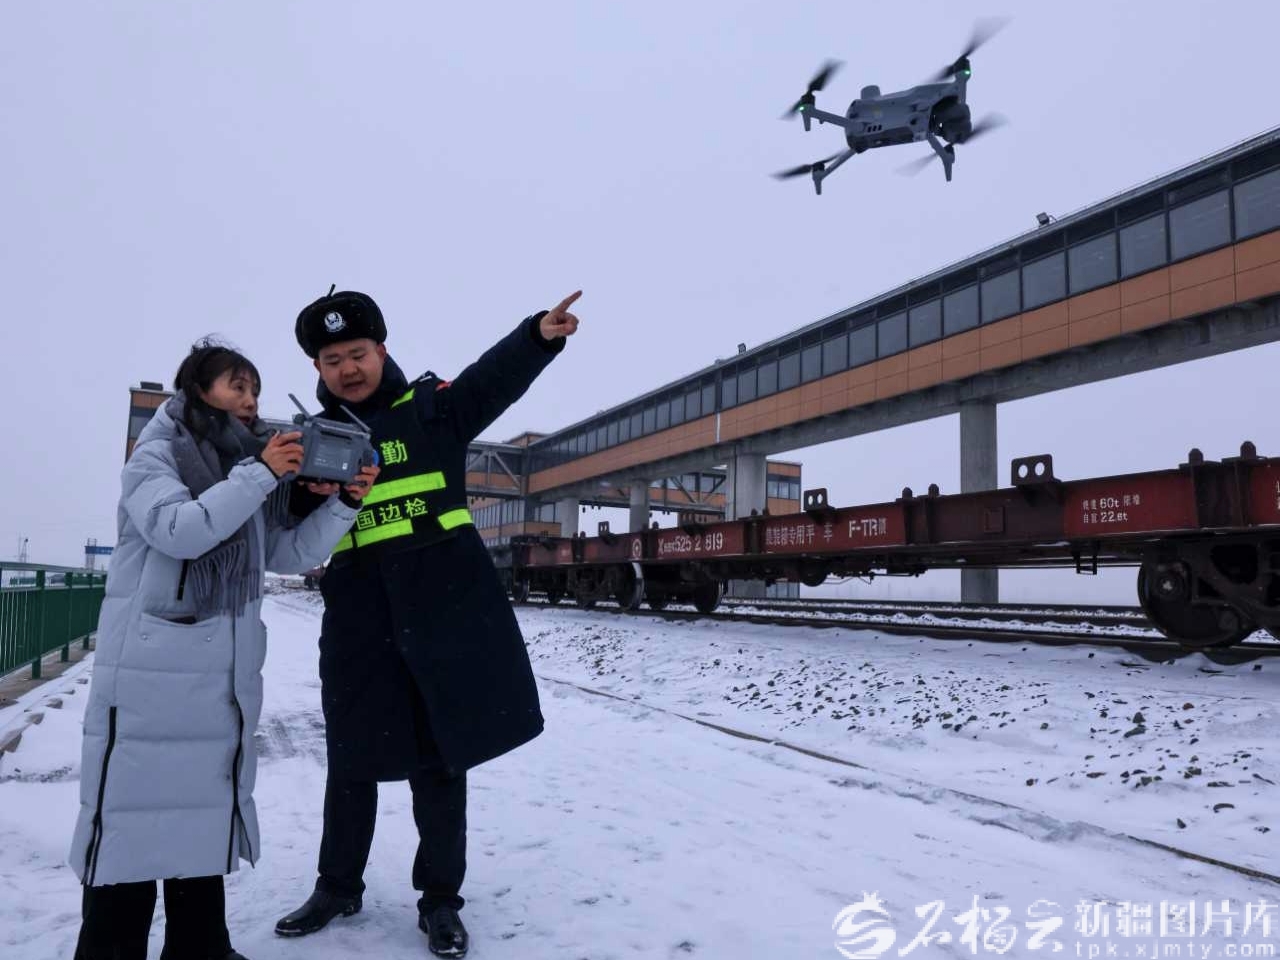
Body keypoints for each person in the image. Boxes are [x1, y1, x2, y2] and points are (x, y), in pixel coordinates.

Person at [275, 288, 581, 957]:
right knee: (351, 758)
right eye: (333, 360)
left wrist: (536, 336)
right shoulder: (311, 440)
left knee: (441, 761)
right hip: (357, 618)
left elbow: (488, 382)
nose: (348, 368)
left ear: (381, 350)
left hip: (442, 613)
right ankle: (337, 886)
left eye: (357, 353)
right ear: (317, 369)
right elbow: (289, 525)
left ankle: (441, 900)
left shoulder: (431, 409)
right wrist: (303, 492)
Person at [69, 341, 379, 960]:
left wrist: (345, 503)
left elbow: (288, 554)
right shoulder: (157, 456)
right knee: (130, 825)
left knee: (201, 819)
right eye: (237, 386)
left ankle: (201, 946)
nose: (250, 400)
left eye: (255, 389)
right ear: (197, 390)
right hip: (149, 678)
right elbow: (180, 530)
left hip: (218, 684)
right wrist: (261, 473)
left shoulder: (246, 471)